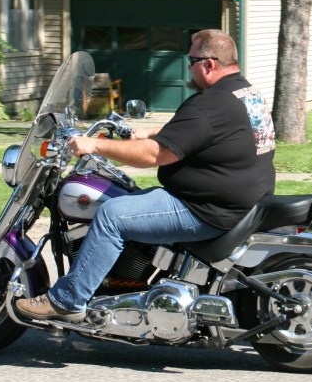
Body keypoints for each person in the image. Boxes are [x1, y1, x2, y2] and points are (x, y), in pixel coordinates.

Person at [15, 29, 276, 322]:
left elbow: (154, 155)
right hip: (240, 198)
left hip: (206, 209)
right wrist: (151, 131)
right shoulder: (243, 93)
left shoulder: (210, 104)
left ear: (209, 64)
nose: (188, 67)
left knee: (112, 214)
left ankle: (68, 301)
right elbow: (208, 132)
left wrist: (94, 144)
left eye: (191, 60)